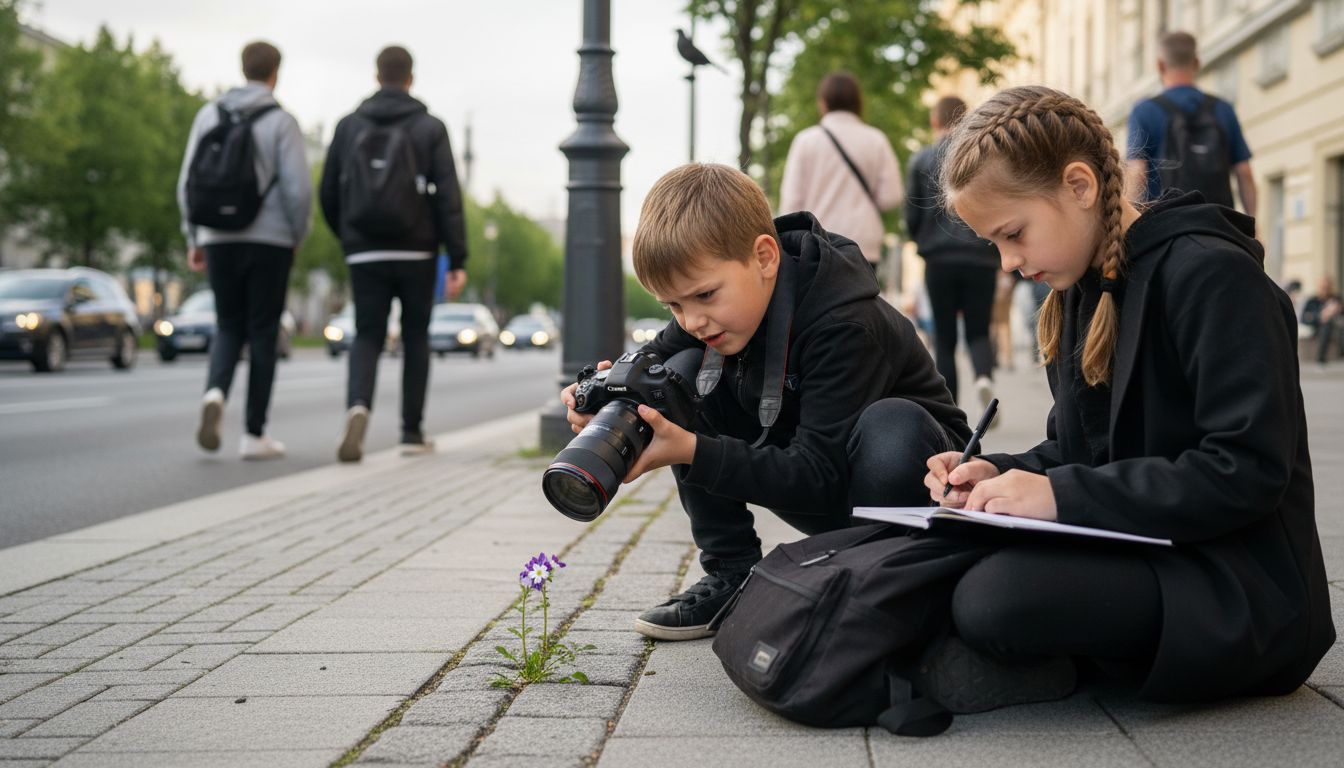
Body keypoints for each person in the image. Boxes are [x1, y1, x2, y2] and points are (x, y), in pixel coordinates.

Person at [919, 86, 1332, 713]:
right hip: (1141, 543)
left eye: (1013, 233)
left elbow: (1246, 471)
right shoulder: (1081, 287)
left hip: (1236, 586)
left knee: (993, 597)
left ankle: (1026, 655)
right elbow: (1077, 447)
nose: (1007, 263)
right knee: (944, 554)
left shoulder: (1213, 277)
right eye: (994, 245)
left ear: (1079, 186)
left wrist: (1060, 497)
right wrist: (1000, 474)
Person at [562, 163, 970, 641]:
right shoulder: (712, 312)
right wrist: (604, 394)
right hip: (822, 481)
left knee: (891, 426)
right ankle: (732, 574)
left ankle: (900, 583)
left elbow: (819, 477)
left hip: (918, 491)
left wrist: (692, 450)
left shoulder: (843, 323)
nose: (692, 320)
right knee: (674, 378)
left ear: (764, 257)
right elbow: (650, 361)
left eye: (704, 295)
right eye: (673, 306)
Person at [320, 45, 468, 462]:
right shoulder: (430, 127)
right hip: (417, 250)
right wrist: (456, 258)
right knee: (416, 336)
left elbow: (328, 190)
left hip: (363, 248)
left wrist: (349, 235)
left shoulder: (348, 126)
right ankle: (410, 432)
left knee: (367, 334)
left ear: (376, 75)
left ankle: (358, 406)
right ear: (410, 78)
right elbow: (448, 197)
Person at [178, 41, 311, 460]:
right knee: (263, 332)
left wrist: (194, 236)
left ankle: (216, 392)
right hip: (268, 239)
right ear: (276, 73)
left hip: (217, 236)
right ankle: (254, 435)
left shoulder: (208, 114)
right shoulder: (281, 121)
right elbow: (297, 189)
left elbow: (187, 183)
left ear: (242, 68)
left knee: (227, 324)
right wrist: (296, 236)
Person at [904, 95, 1000, 407]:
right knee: (979, 330)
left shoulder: (921, 160)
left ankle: (952, 408)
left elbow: (912, 217)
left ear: (935, 121)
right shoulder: (982, 156)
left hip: (939, 259)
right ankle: (983, 376)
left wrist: (924, 244)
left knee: (944, 339)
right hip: (980, 257)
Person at [780, 72, 903, 272]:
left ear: (823, 103)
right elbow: (891, 197)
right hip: (863, 242)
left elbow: (792, 201)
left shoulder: (805, 141)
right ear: (858, 102)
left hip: (818, 241)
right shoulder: (876, 140)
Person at [1126, 31, 1256, 216]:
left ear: (1160, 65)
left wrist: (1127, 223)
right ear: (1196, 63)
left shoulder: (1145, 111)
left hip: (1166, 226)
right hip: (1219, 225)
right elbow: (1244, 172)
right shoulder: (1223, 109)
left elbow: (1137, 171)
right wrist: (1253, 224)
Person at [1301, 275, 1342, 365]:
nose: (1325, 289)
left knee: (1330, 324)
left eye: (1327, 287)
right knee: (1326, 324)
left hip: (1336, 328)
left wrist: (1335, 312)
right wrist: (1320, 316)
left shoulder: (1337, 299)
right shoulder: (1312, 301)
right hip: (1316, 328)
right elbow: (1304, 318)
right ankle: (1321, 357)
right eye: (1323, 287)